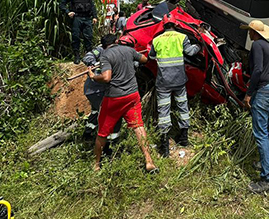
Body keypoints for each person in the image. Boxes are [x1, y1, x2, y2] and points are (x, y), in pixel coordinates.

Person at [90, 34, 157, 173]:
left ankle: (96, 164)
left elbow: (106, 77)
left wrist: (93, 77)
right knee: (138, 126)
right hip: (132, 95)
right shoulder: (128, 50)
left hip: (114, 98)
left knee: (102, 131)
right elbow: (144, 59)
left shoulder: (106, 55)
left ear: (103, 46)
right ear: (116, 41)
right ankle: (149, 161)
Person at [148, 18, 200, 157]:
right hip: (179, 80)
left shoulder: (157, 40)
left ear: (163, 25)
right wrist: (198, 46)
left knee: (163, 111)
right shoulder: (182, 37)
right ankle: (184, 138)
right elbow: (190, 52)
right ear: (175, 24)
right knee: (183, 107)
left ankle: (164, 146)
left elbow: (151, 56)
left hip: (163, 81)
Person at [240, 20, 269, 194]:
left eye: (250, 31)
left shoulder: (256, 45)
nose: (249, 34)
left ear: (254, 33)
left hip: (262, 91)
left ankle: (267, 180)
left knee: (261, 132)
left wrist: (249, 93)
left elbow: (256, 70)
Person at [82, 45, 121, 148]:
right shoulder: (100, 50)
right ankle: (108, 145)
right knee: (109, 114)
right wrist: (95, 64)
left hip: (99, 90)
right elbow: (87, 57)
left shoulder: (118, 52)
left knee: (96, 111)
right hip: (95, 90)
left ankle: (87, 134)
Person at [60, 0, 97, 64]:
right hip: (77, 18)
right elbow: (62, 4)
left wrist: (94, 17)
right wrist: (68, 12)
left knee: (89, 37)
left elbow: (92, 7)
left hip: (87, 19)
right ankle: (77, 56)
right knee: (76, 37)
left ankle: (89, 56)